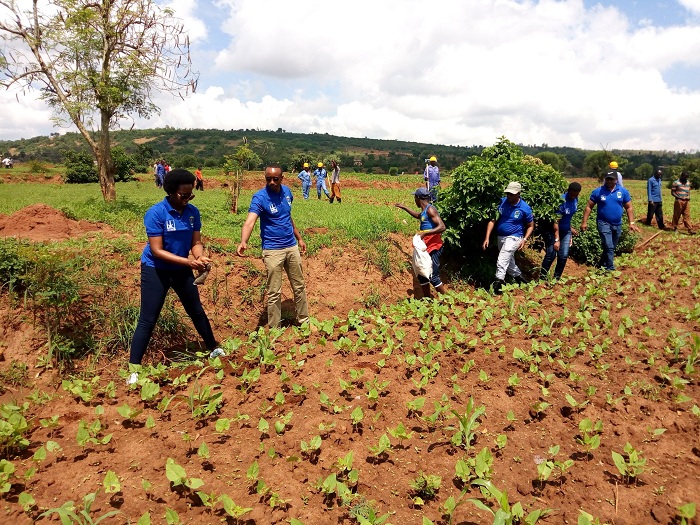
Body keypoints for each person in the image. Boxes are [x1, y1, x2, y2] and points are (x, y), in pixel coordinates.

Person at [128, 169, 223, 385]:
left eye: (190, 195)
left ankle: (214, 348)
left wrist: (200, 257)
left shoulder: (192, 213)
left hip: (181, 268)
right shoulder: (156, 213)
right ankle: (134, 369)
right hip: (156, 270)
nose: (187, 199)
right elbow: (157, 250)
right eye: (183, 195)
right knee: (148, 319)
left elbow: (195, 242)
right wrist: (189, 262)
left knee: (196, 311)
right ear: (171, 192)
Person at [237, 165, 310, 328]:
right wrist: (244, 241)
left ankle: (304, 321)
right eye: (268, 179)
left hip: (291, 247)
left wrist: (299, 238)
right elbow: (250, 222)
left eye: (275, 179)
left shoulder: (287, 193)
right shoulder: (260, 197)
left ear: (282, 178)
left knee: (299, 286)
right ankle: (275, 328)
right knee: (274, 292)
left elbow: (287, 217)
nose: (271, 182)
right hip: (272, 250)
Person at [580, 171, 640, 271]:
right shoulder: (598, 191)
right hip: (603, 223)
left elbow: (629, 207)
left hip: (617, 224)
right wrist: (584, 222)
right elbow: (589, 206)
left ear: (616, 180)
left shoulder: (623, 192)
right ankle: (610, 268)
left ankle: (601, 265)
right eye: (607, 179)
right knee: (609, 246)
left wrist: (631, 223)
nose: (609, 181)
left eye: (611, 179)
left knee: (610, 247)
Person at [482, 182, 534, 294]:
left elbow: (530, 226)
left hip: (515, 237)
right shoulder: (501, 202)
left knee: (502, 258)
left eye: (511, 194)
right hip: (501, 237)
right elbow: (493, 220)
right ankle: (523, 281)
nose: (509, 196)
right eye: (508, 193)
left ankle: (497, 284)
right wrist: (487, 237)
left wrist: (524, 239)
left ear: (518, 194)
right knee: (509, 263)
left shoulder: (525, 208)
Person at [395, 187, 446, 297]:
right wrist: (405, 208)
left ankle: (449, 301)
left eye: (415, 198)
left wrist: (425, 234)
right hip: (425, 247)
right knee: (422, 275)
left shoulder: (430, 209)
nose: (414, 200)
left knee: (433, 276)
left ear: (418, 198)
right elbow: (419, 216)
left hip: (434, 247)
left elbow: (442, 226)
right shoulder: (424, 211)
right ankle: (427, 299)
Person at [540, 182, 581, 281]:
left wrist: (570, 228)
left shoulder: (575, 199)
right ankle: (542, 278)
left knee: (563, 255)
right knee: (551, 253)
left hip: (566, 231)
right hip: (553, 230)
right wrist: (557, 239)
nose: (573, 196)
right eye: (571, 194)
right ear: (568, 191)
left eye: (576, 195)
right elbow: (556, 221)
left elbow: (567, 217)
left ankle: (556, 279)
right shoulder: (561, 200)